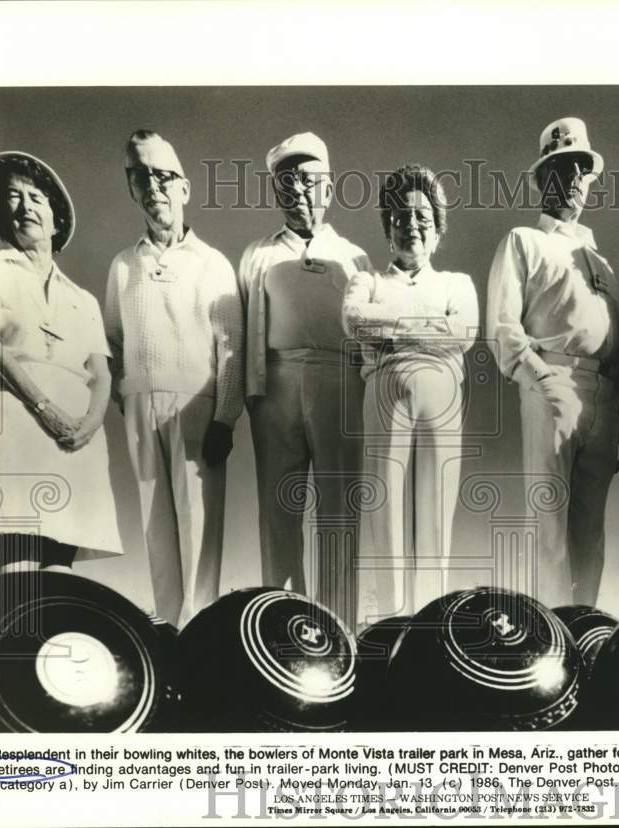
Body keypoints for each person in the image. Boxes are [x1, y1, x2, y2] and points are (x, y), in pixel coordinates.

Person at [486, 117, 619, 609]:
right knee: (549, 520)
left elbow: (615, 340)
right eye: (562, 167)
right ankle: (550, 631)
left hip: (604, 393)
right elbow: (503, 326)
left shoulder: (599, 259)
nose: (573, 179)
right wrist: (539, 376)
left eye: (582, 169)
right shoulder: (523, 240)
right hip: (551, 379)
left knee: (590, 528)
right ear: (543, 177)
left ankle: (584, 626)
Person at [105, 130, 244, 628]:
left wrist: (225, 418)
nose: (153, 186)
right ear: (132, 189)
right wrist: (127, 393)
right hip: (142, 407)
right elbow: (112, 342)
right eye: (140, 176)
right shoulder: (124, 265)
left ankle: (201, 633)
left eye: (162, 175)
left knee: (199, 527)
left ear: (184, 187)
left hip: (198, 407)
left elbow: (233, 347)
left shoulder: (214, 264)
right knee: (155, 526)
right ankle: (167, 632)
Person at [0, 151, 121, 572]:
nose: (25, 206)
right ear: (1, 211)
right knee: (18, 562)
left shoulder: (82, 298)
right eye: (13, 196)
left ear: (55, 218)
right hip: (17, 415)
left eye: (36, 197)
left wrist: (85, 425)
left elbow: (102, 374)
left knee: (61, 569)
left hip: (77, 433)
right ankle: (13, 640)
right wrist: (45, 410)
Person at [238, 132, 371, 629]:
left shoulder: (354, 257)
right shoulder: (257, 254)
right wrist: (250, 395)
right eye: (287, 180)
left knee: (339, 510)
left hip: (339, 383)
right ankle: (283, 625)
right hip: (275, 382)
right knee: (278, 508)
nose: (298, 190)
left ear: (329, 189)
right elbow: (244, 328)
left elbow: (366, 334)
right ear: (276, 191)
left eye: (309, 179)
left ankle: (340, 630)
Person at [342, 164, 479, 621]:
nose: (412, 226)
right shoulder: (368, 281)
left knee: (435, 511)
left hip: (442, 394)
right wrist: (421, 329)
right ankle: (390, 621)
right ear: (388, 228)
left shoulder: (456, 283)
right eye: (401, 217)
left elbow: (463, 330)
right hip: (386, 392)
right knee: (387, 508)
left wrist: (394, 330)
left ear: (438, 229)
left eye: (422, 218)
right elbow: (355, 320)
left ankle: (429, 622)